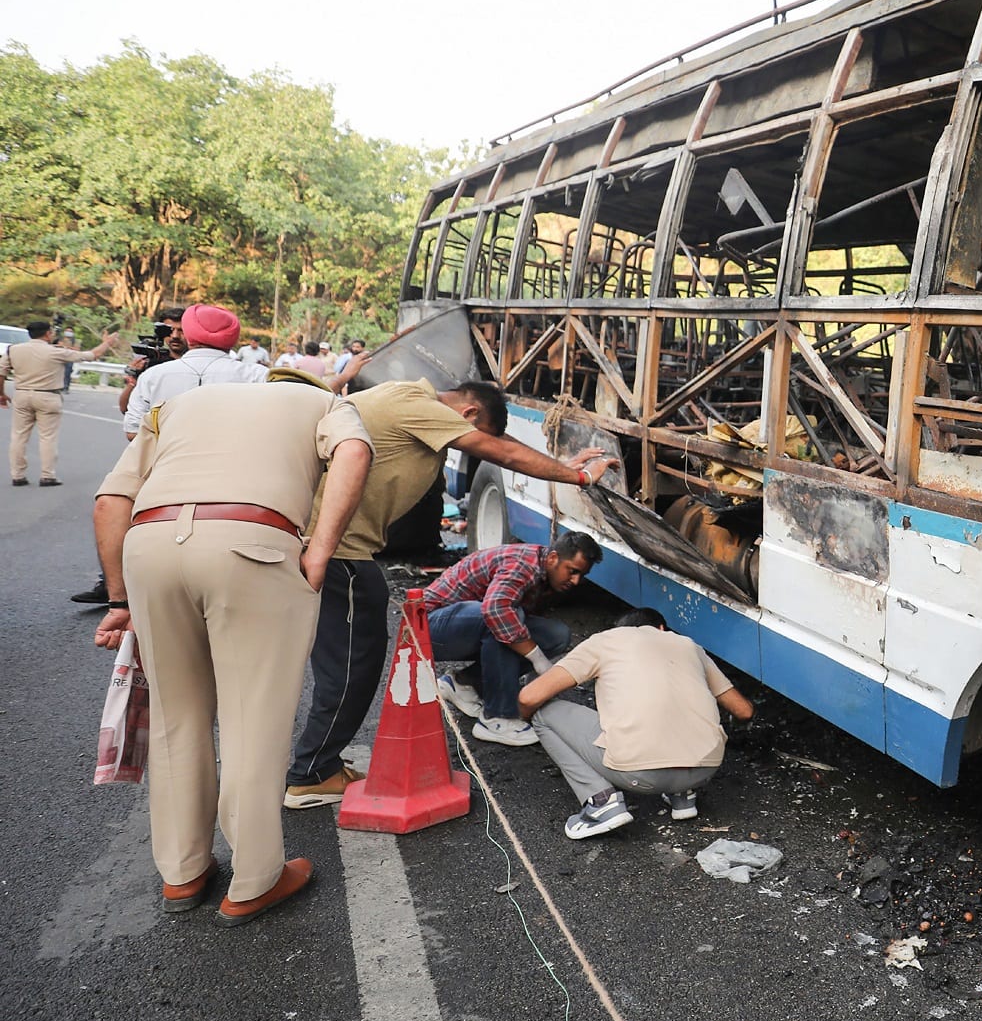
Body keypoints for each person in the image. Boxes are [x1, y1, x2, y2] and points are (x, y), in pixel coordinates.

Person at [92, 379, 373, 924]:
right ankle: (254, 878)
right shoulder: (327, 403)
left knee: (177, 718)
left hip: (150, 546)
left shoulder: (176, 406)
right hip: (254, 542)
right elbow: (354, 452)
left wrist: (120, 599)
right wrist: (319, 551)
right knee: (254, 718)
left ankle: (183, 873)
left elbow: (110, 500)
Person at [283, 379, 614, 808]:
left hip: (340, 550)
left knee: (355, 665)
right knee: (350, 669)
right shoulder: (414, 402)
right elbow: (502, 452)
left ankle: (325, 762)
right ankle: (311, 773)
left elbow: (497, 442)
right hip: (341, 554)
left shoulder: (412, 402)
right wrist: (579, 475)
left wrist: (559, 461)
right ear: (469, 414)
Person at [517, 608, 755, 837]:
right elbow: (743, 711)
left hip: (641, 776)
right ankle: (682, 795)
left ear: (620, 630)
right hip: (704, 770)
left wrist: (526, 719)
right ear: (661, 628)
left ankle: (601, 803)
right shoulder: (689, 645)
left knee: (543, 713)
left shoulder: (605, 640)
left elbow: (529, 696)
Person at [421, 532, 602, 746]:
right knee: (508, 616)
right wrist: (538, 659)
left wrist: (537, 682)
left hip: (467, 626)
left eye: (582, 575)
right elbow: (496, 609)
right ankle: (497, 718)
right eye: (572, 571)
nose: (576, 581)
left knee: (556, 635)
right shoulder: (524, 564)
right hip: (426, 629)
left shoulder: (548, 575)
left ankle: (462, 683)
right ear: (553, 558)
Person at [123, 304, 269, 439]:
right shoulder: (258, 375)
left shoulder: (152, 375)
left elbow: (133, 432)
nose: (175, 335)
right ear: (233, 337)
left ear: (188, 333)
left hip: (167, 465)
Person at [0, 321, 119, 486]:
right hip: (48, 396)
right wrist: (107, 342)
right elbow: (91, 355)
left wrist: (1, 394)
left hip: (21, 394)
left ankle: (17, 475)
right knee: (47, 437)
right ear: (48, 334)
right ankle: (47, 475)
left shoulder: (13, 350)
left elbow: (2, 372)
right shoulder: (56, 352)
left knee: (19, 436)